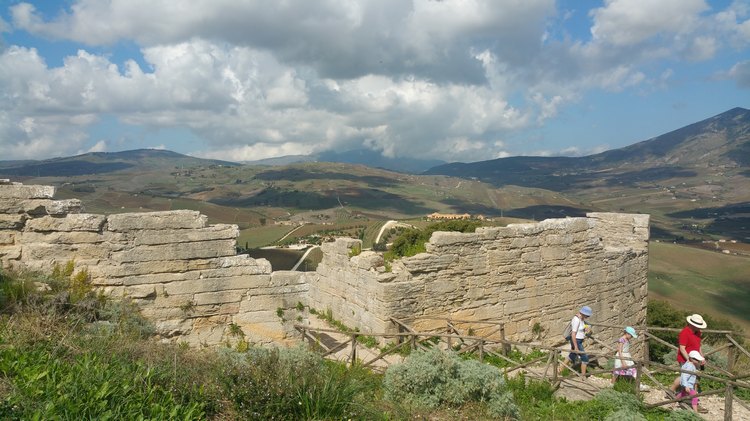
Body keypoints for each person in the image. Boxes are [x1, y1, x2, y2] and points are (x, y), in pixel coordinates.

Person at [563, 306, 592, 377]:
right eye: (587, 315)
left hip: (578, 340)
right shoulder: (576, 320)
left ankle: (560, 369)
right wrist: (576, 346)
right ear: (584, 313)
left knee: (572, 356)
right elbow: (573, 334)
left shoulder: (581, 319)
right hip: (576, 341)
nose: (588, 316)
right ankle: (583, 376)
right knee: (585, 358)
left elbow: (585, 327)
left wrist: (588, 328)